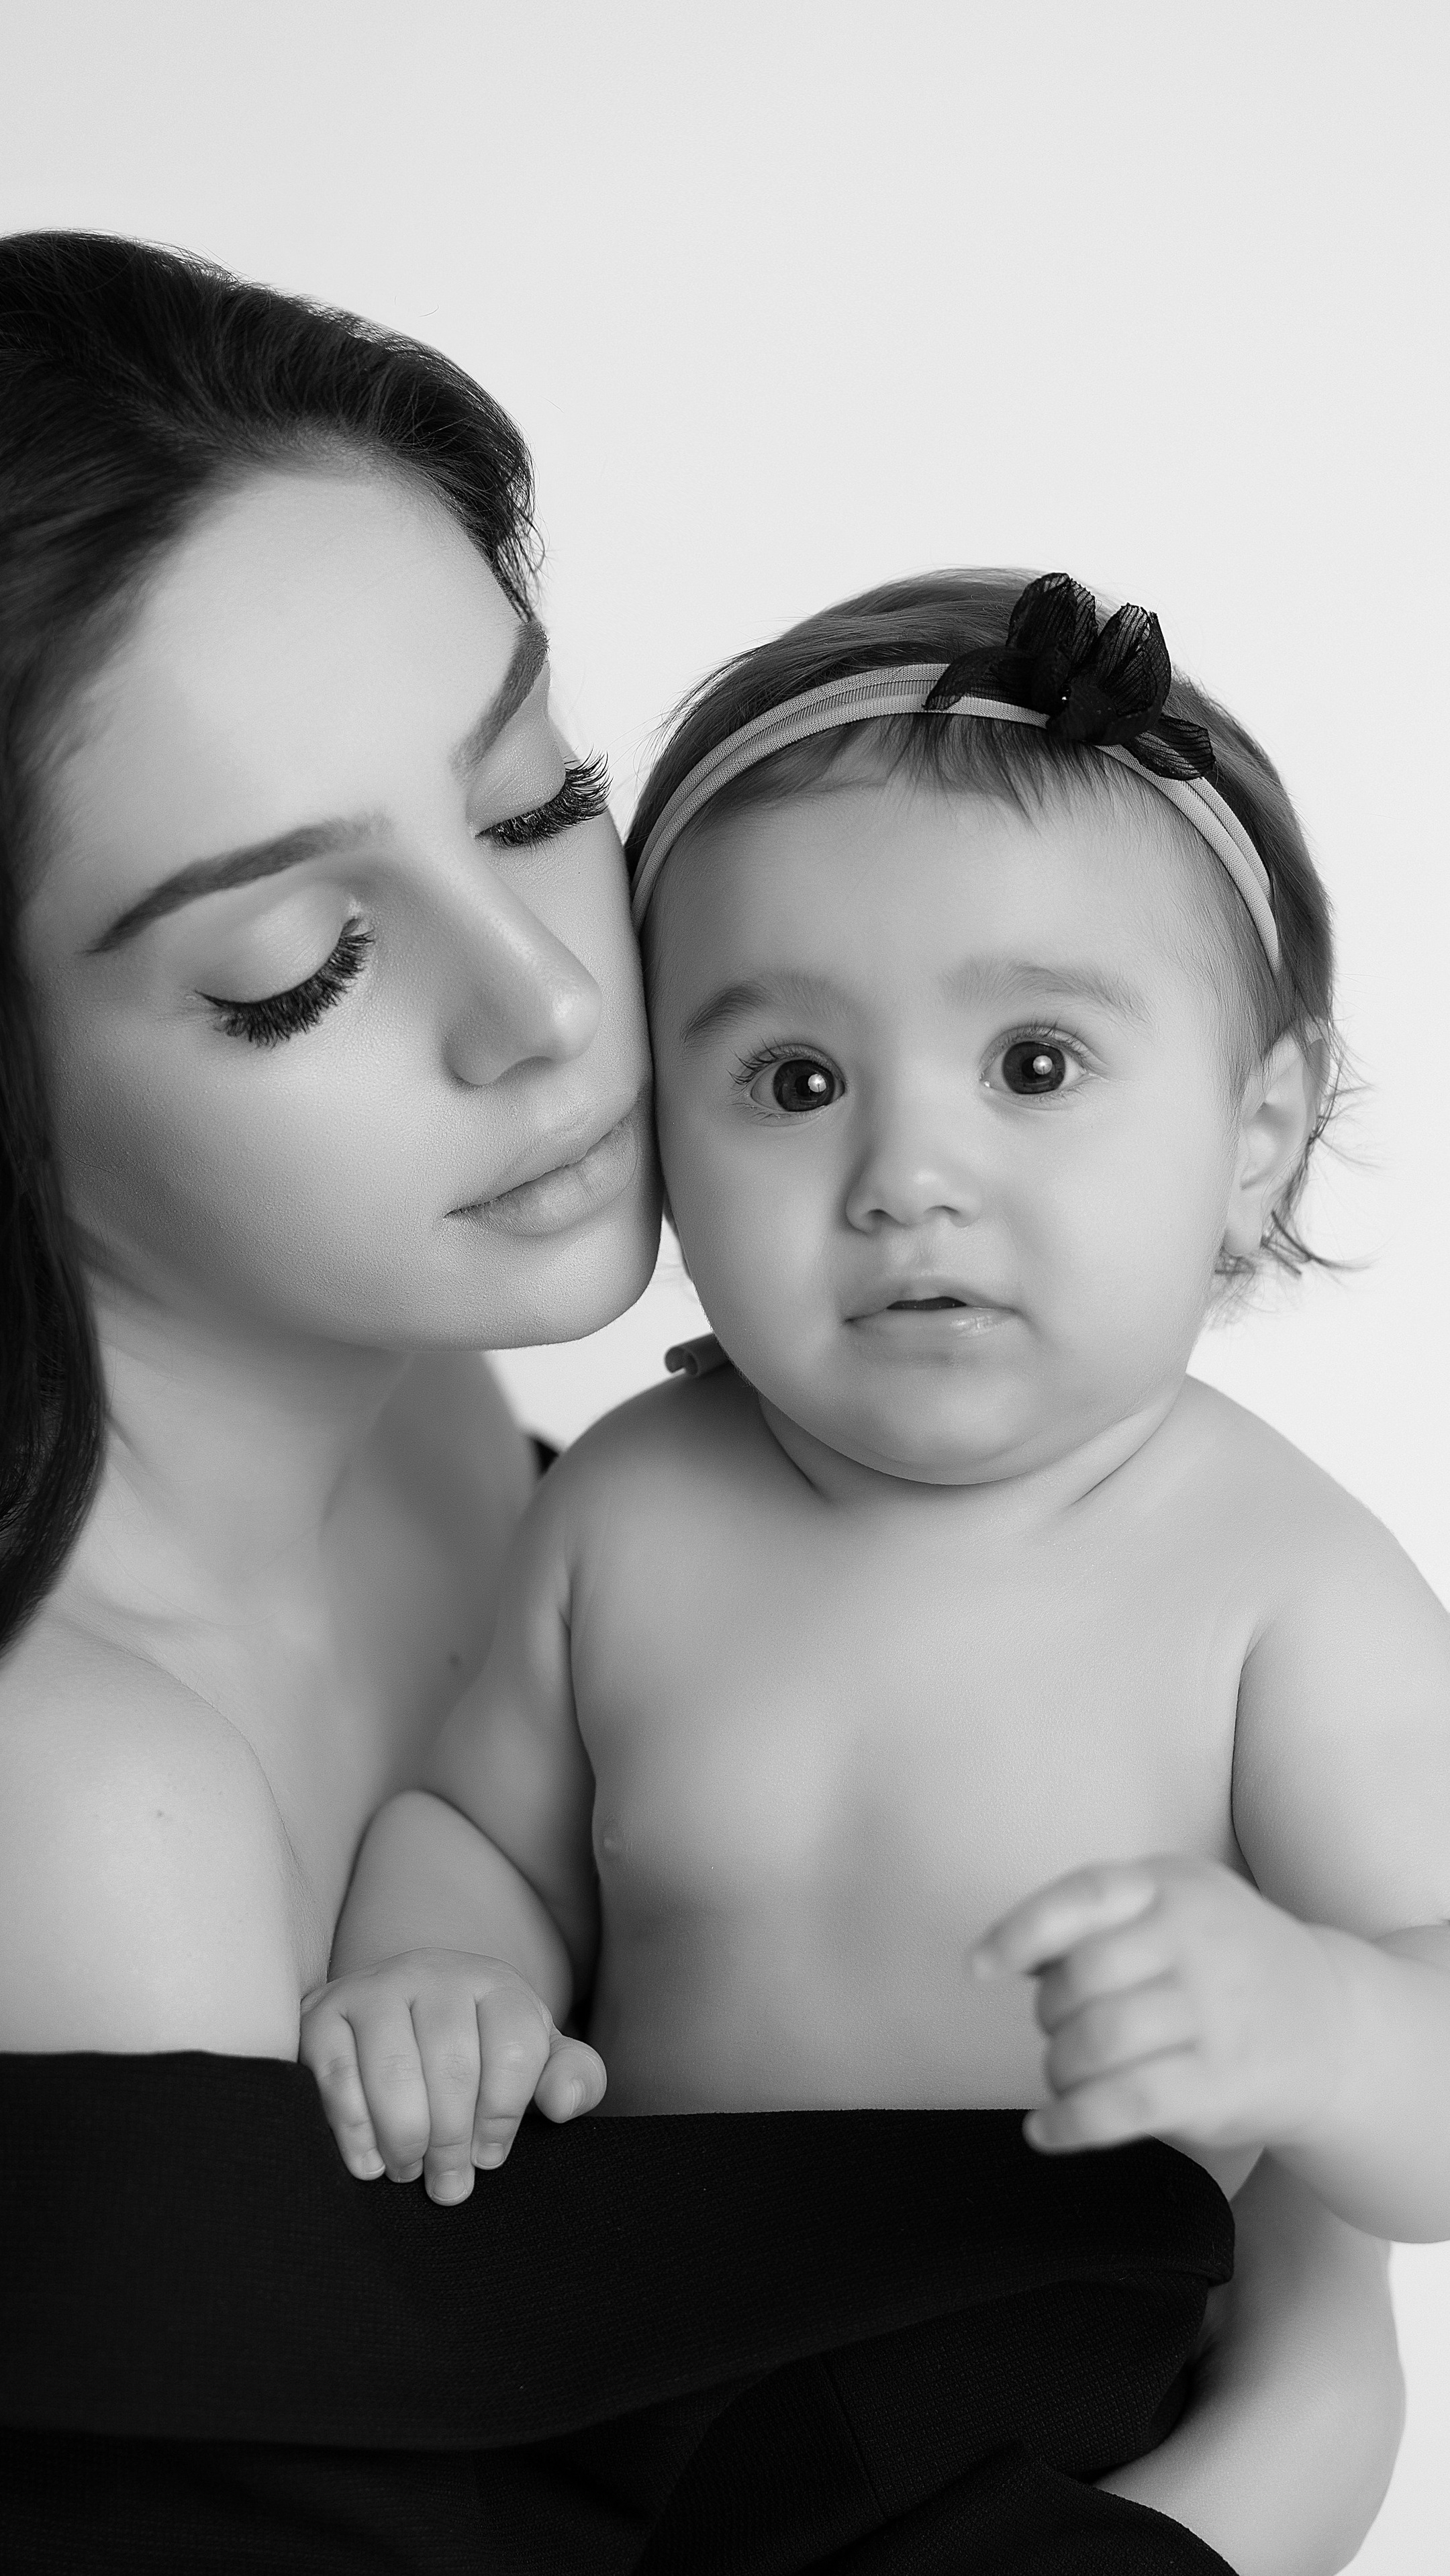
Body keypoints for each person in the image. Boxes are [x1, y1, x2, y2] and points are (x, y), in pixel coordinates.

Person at [0, 240, 1397, 2571]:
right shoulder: (79, 1851)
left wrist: (1295, 2127)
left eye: (533, 804)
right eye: (292, 965)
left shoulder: (454, 1439)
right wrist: (1273, 2449)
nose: (541, 999)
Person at [306, 570, 1447, 2573]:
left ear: (1257, 1134)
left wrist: (1326, 2024)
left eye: (1032, 1066)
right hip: (630, 2335)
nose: (905, 1174)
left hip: (1036, 2368)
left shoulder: (1283, 1591)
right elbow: (482, 1829)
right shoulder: (631, 1507)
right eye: (794, 1084)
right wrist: (445, 1977)